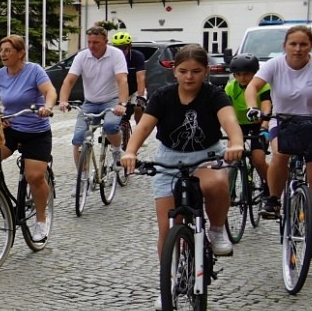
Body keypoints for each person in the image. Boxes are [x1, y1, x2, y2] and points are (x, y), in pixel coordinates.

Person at [121, 44, 244, 270]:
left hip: (206, 156)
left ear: (206, 71)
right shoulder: (163, 96)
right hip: (169, 159)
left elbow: (229, 121)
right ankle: (169, 280)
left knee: (217, 183)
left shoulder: (214, 95)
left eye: (196, 71)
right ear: (174, 71)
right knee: (168, 229)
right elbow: (144, 127)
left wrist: (236, 143)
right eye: (183, 71)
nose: (189, 77)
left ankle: (217, 230)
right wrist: (130, 151)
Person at [245, 25, 312, 259]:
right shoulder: (275, 64)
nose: (297, 49)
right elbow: (253, 86)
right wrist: (253, 107)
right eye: (293, 44)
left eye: (303, 44)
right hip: (283, 120)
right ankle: (273, 200)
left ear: (310, 47)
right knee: (280, 153)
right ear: (285, 46)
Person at [0, 34, 57, 242]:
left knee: (34, 176)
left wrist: (47, 107)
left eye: (8, 50)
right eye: (1, 50)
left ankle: (41, 221)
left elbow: (50, 91)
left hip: (36, 132)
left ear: (20, 53)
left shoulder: (34, 71)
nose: (3, 54)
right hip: (11, 128)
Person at [58, 26, 130, 168]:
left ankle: (116, 150)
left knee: (110, 126)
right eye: (89, 42)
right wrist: (63, 101)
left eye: (96, 42)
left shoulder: (116, 55)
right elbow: (69, 81)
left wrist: (122, 104)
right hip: (90, 102)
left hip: (111, 100)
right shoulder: (82, 56)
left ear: (106, 41)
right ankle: (82, 177)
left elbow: (122, 80)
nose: (92, 46)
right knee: (78, 138)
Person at [223, 53, 272, 185]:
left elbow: (266, 107)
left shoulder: (263, 86)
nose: (242, 78)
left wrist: (264, 127)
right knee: (231, 156)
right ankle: (229, 188)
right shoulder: (230, 88)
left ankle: (269, 186)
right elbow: (227, 111)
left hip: (259, 124)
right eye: (238, 74)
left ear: (255, 73)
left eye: (246, 74)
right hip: (239, 125)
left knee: (258, 160)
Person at [111, 31, 147, 124]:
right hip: (119, 89)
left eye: (123, 48)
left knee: (138, 108)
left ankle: (139, 128)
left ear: (129, 46)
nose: (120, 51)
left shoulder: (137, 56)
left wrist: (140, 97)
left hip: (135, 89)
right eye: (117, 48)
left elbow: (141, 78)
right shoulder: (111, 57)